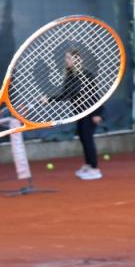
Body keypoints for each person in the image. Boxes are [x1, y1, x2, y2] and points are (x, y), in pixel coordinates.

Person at [53, 48, 104, 180]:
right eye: (66, 58)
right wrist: (48, 99)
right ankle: (88, 165)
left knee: (87, 139)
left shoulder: (86, 75)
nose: (67, 60)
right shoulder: (70, 76)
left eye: (69, 58)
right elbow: (66, 95)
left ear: (78, 60)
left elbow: (95, 96)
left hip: (91, 111)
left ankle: (95, 169)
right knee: (83, 137)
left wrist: (97, 114)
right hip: (80, 113)